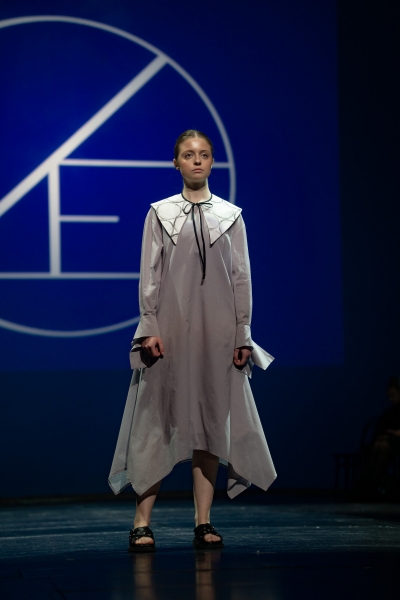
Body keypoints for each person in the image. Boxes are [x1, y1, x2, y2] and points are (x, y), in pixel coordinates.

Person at [108, 130, 276, 551]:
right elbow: (150, 274)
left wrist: (242, 332)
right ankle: (141, 521)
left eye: (203, 154)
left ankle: (203, 521)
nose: (196, 160)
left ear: (212, 161)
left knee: (210, 422)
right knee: (156, 420)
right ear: (176, 163)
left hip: (217, 331)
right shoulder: (160, 213)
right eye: (188, 154)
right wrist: (149, 326)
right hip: (169, 330)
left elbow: (241, 277)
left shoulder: (231, 216)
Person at [356, 376, 400, 498]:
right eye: (389, 396)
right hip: (388, 440)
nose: (391, 399)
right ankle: (369, 484)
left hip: (396, 442)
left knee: (383, 446)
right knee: (377, 445)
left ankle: (373, 484)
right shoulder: (389, 412)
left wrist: (395, 433)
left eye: (393, 395)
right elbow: (381, 430)